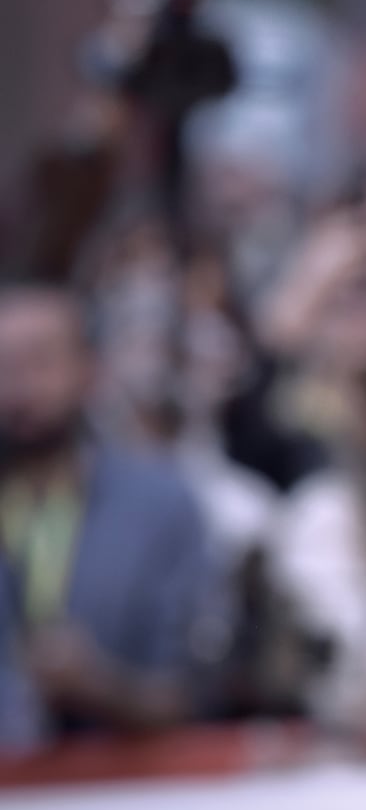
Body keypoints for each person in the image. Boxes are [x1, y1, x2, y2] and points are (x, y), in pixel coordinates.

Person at [0, 280, 217, 750]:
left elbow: (197, 692)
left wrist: (102, 685)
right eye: (4, 366)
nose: (17, 388)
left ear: (89, 371)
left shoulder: (160, 505)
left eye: (39, 361)